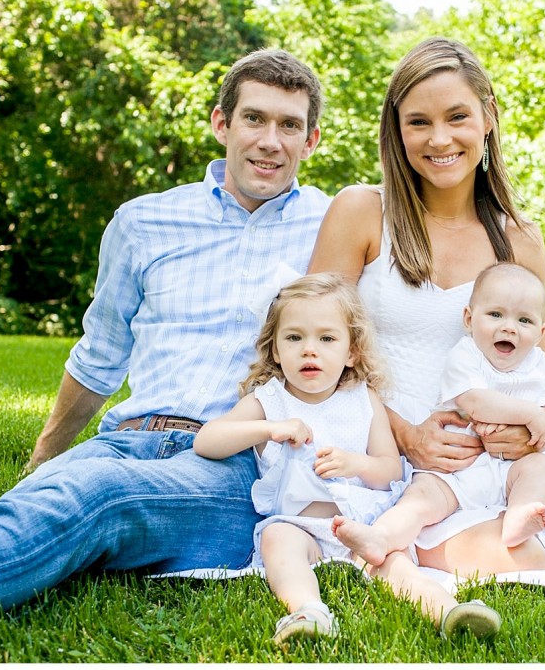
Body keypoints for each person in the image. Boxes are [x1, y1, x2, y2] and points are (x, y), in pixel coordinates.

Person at [0, 48, 331, 663]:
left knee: (92, 499)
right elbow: (102, 352)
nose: (270, 142)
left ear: (311, 141)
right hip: (125, 438)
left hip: (236, 465)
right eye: (254, 119)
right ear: (220, 123)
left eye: (289, 126)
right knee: (28, 510)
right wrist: (46, 457)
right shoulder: (144, 220)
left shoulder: (336, 226)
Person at [308, 37, 545, 581]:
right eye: (418, 122)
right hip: (385, 453)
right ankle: (409, 541)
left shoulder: (520, 239)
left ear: (488, 116)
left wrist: (544, 430)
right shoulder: (361, 212)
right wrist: (407, 435)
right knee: (527, 563)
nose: (439, 138)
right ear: (396, 131)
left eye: (457, 116)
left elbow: (544, 370)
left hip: (497, 461)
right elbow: (309, 352)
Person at [194, 273, 501, 644]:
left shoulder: (362, 398)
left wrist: (356, 464)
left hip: (365, 523)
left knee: (395, 565)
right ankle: (309, 611)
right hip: (300, 524)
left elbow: (389, 469)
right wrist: (268, 429)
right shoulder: (268, 401)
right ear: (275, 350)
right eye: (294, 338)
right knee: (278, 540)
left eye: (327, 338)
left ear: (351, 351)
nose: (310, 349)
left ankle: (447, 609)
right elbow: (206, 441)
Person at [334, 262, 545, 566]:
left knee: (542, 468)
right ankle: (382, 537)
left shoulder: (537, 364)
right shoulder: (466, 355)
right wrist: (530, 415)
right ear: (469, 319)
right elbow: (474, 401)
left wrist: (542, 426)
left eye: (524, 320)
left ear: (541, 332)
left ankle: (519, 515)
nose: (509, 327)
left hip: (511, 467)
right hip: (455, 466)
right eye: (495, 315)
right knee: (421, 497)